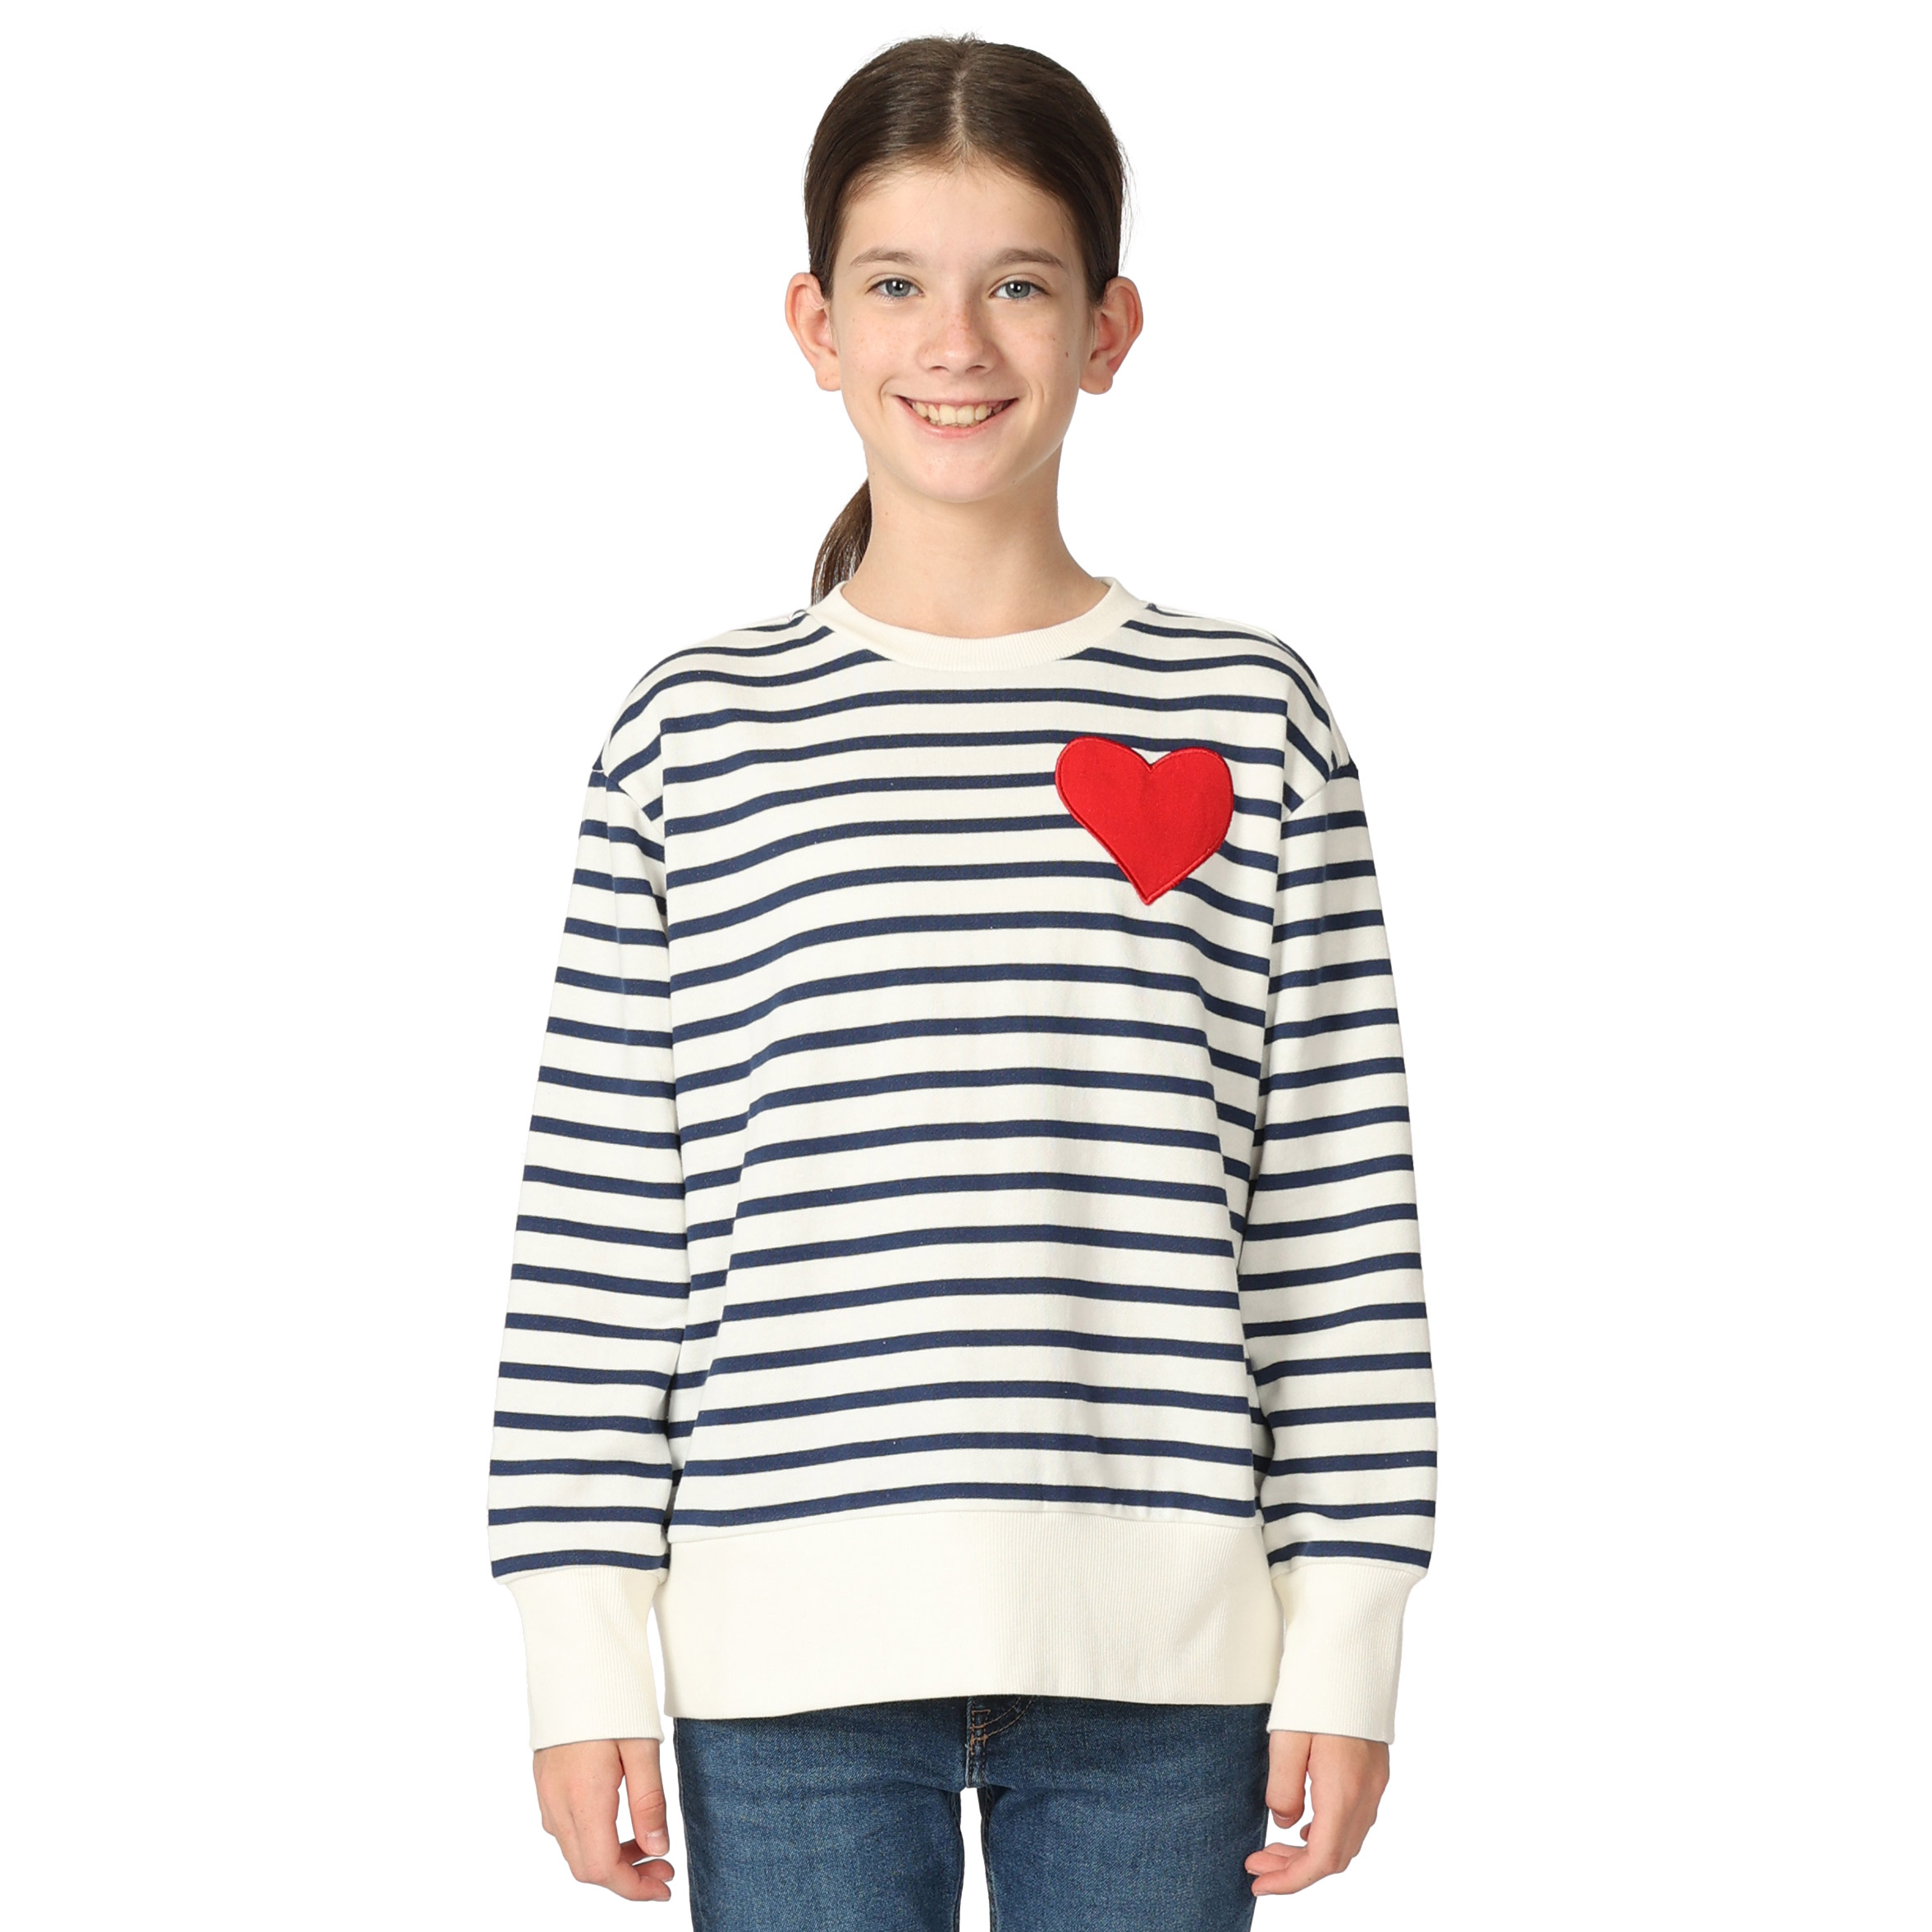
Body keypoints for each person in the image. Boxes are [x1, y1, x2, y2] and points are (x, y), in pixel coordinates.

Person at [485, 31, 1435, 1930]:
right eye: (897, 284)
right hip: (784, 1670)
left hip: (1167, 1668)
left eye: (1017, 284)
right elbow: (607, 1232)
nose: (956, 342)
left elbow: (1331, 1225)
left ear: (1107, 326)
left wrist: (1347, 1633)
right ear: (814, 324)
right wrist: (580, 1650)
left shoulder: (1249, 717)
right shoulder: (694, 733)